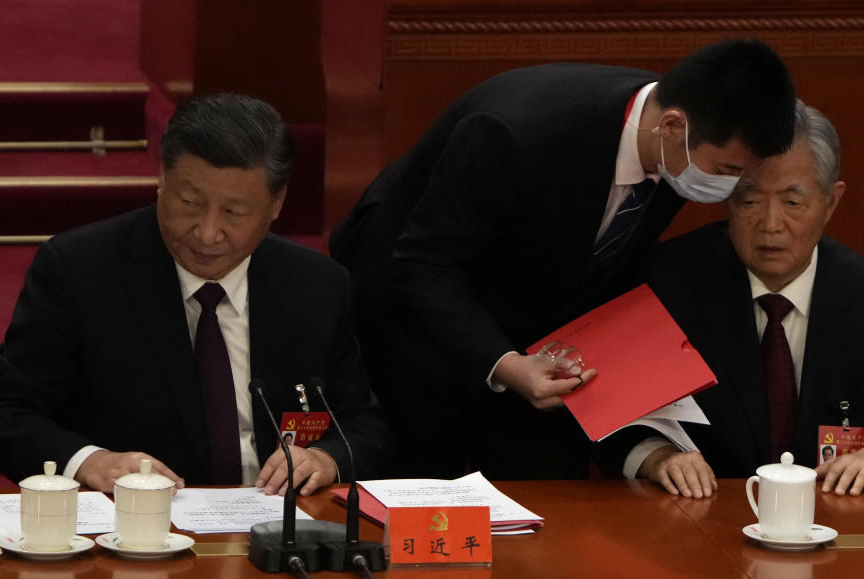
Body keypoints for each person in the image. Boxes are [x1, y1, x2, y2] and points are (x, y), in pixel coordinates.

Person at [330, 39, 797, 479]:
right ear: (672, 125)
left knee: (544, 507)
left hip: (532, 325)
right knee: (425, 501)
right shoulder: (517, 131)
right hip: (413, 318)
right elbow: (421, 265)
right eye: (725, 171)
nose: (726, 187)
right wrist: (505, 364)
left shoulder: (675, 142)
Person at [0, 93, 390, 495]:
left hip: (278, 527)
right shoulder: (78, 271)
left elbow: (364, 425)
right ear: (162, 178)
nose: (207, 233)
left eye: (234, 212)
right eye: (189, 203)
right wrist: (89, 461)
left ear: (277, 204)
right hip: (133, 530)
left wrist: (327, 458)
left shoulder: (317, 285)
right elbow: (7, 411)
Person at [607, 101, 864, 497]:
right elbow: (608, 417)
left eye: (792, 202)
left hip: (832, 524)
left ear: (831, 202)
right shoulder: (668, 284)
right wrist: (655, 455)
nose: (769, 224)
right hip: (698, 520)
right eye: (749, 201)